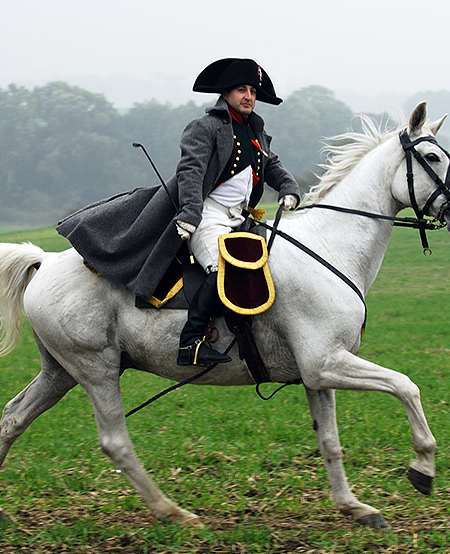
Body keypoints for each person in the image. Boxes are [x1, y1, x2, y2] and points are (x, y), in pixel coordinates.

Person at [56, 58, 301, 367]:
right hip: (207, 214)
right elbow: (191, 171)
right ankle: (191, 342)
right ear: (226, 93)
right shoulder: (205, 127)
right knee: (221, 268)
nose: (249, 96)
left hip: (241, 218)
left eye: (252, 90)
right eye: (242, 89)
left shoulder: (255, 130)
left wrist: (288, 187)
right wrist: (189, 213)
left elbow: (272, 165)